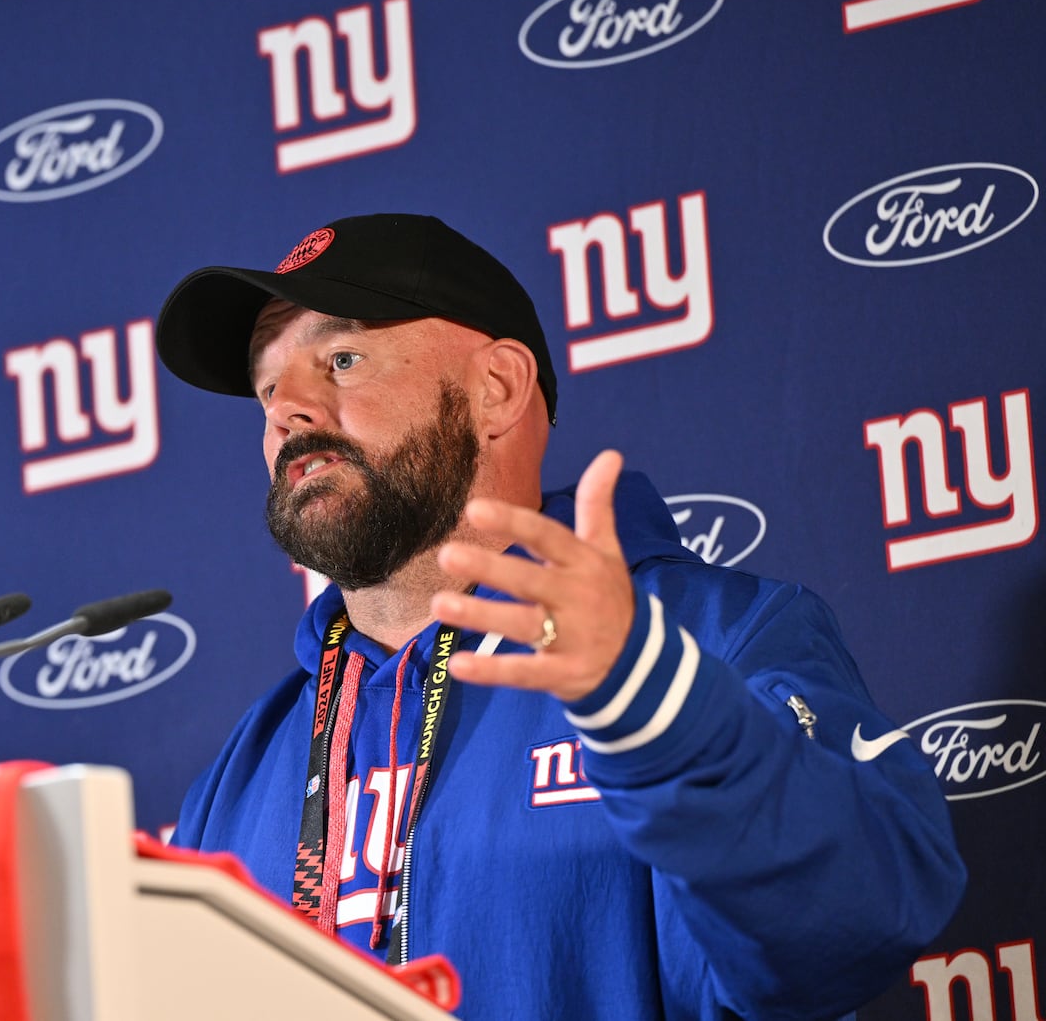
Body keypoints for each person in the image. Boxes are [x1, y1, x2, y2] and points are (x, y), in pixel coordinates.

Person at [153, 214, 965, 1020]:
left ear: (496, 388)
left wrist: (660, 710)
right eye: (267, 388)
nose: (286, 409)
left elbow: (867, 915)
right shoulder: (242, 774)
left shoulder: (715, 639)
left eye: (342, 358)